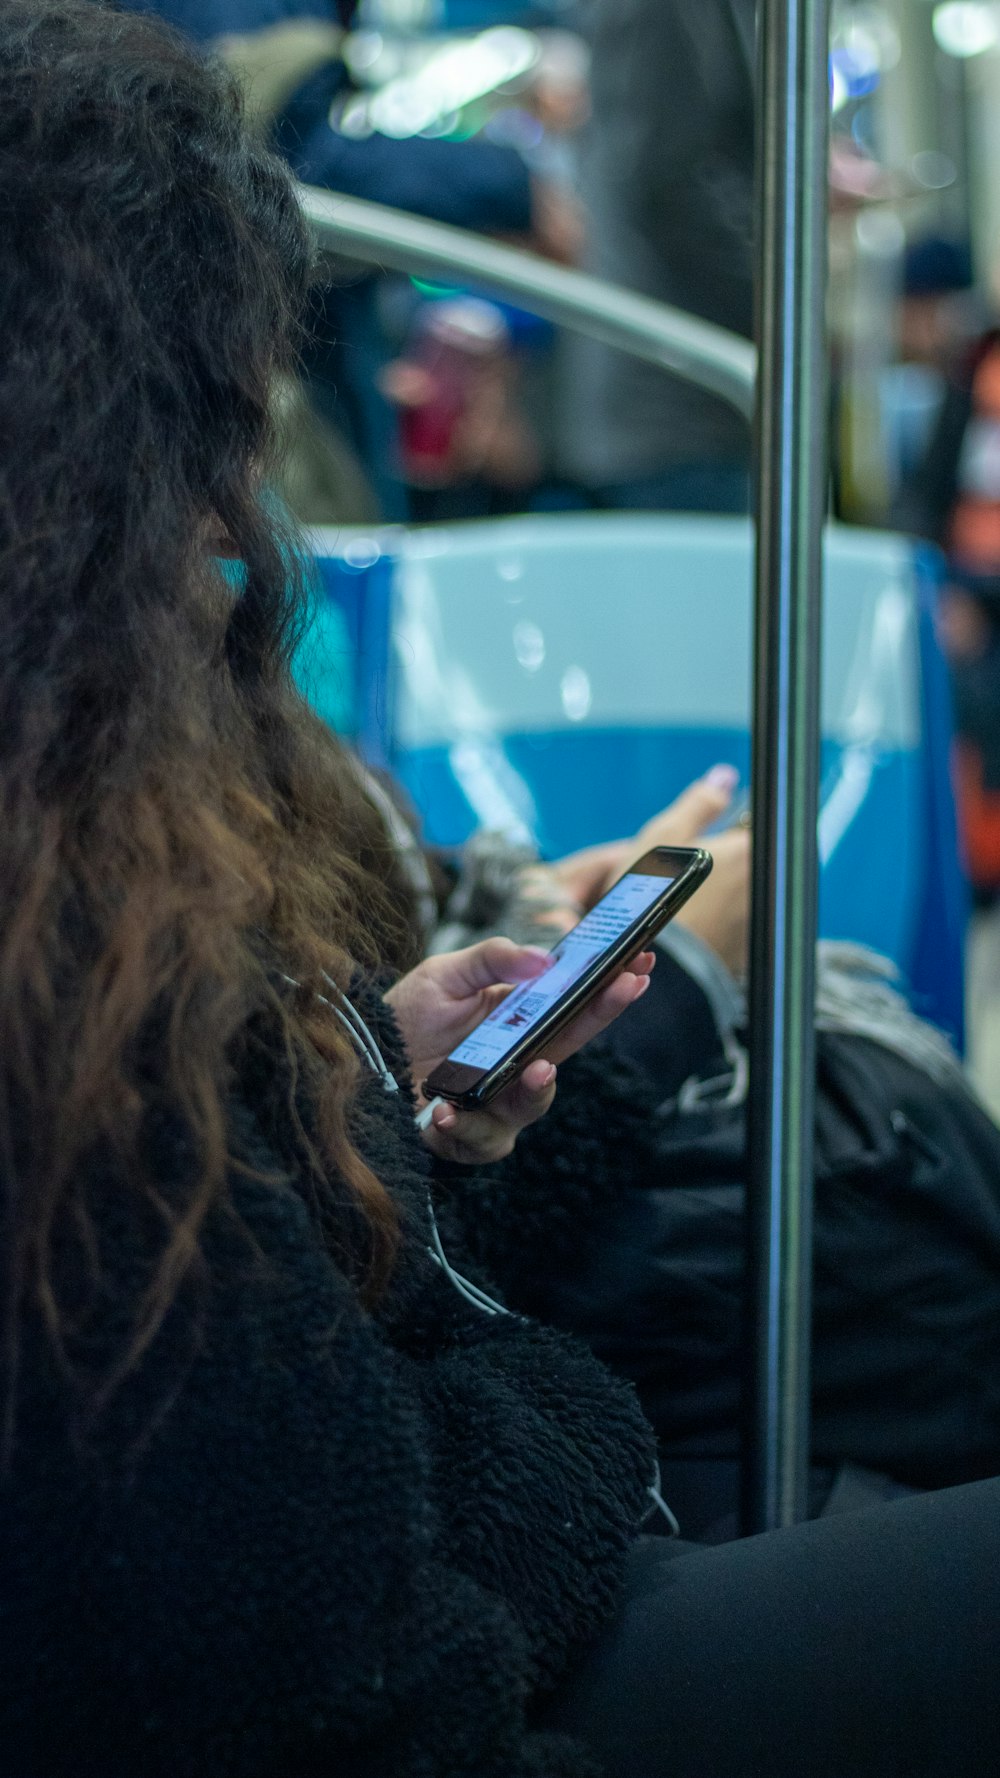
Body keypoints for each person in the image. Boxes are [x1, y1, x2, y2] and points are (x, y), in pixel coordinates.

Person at [2, 9, 1000, 1778]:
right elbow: (361, 1661)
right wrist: (672, 995)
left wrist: (369, 1079)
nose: (232, 541)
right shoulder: (76, 999)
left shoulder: (88, 939)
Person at [555, 0, 755, 511]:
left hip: (691, 398)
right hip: (676, 398)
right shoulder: (662, 11)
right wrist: (783, 295)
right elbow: (668, 188)